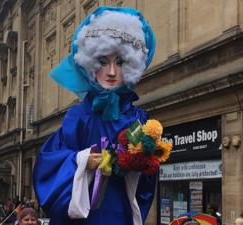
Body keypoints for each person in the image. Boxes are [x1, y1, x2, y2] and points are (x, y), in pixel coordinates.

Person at [33, 6, 157, 225]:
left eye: (119, 62)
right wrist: (82, 161)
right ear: (90, 65)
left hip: (120, 213)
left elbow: (146, 183)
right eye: (102, 61)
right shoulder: (78, 116)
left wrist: (141, 162)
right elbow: (48, 165)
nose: (111, 72)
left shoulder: (139, 119)